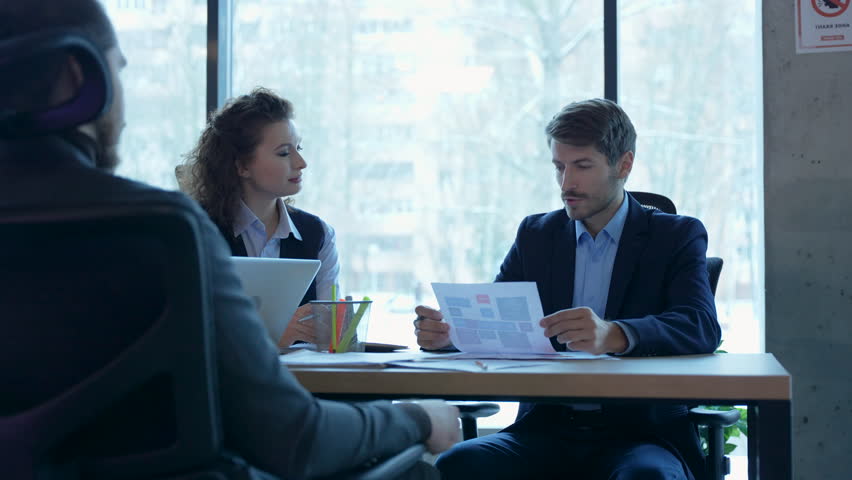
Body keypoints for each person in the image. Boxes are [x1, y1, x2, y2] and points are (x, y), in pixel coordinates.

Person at [0, 1, 460, 479]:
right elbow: (293, 439)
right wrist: (420, 417)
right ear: (80, 77)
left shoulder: (302, 233)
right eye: (118, 70)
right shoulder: (167, 230)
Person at [414, 99, 721, 480]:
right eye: (559, 167)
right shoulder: (537, 234)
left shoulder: (675, 235)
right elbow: (499, 324)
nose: (566, 184)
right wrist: (452, 335)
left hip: (642, 434)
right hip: (546, 428)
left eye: (582, 166)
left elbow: (699, 325)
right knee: (459, 464)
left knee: (647, 477)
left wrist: (615, 334)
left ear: (624, 165)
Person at [182, 88, 335, 348]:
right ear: (242, 166)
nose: (301, 162)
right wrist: (271, 336)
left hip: (304, 374)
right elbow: (187, 331)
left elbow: (331, 334)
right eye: (284, 153)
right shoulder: (197, 231)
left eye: (298, 148)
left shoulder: (318, 233)